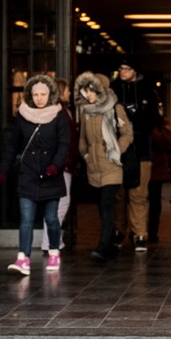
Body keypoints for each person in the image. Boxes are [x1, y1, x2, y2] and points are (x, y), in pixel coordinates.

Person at [0, 74, 70, 275]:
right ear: (30, 95)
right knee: (26, 219)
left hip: (50, 175)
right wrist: (4, 169)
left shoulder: (59, 116)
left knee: (51, 219)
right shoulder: (22, 115)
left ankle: (54, 252)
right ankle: (23, 259)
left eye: (43, 94)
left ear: (50, 94)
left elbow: (64, 146)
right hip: (28, 173)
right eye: (35, 94)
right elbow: (12, 146)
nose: (39, 98)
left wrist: (55, 166)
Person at [74, 71, 133, 262]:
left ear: (100, 90)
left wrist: (117, 150)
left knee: (107, 203)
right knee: (102, 207)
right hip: (94, 167)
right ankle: (110, 241)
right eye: (85, 91)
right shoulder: (86, 112)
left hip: (112, 166)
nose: (87, 94)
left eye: (90, 90)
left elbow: (127, 134)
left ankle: (103, 246)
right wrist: (85, 155)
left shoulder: (115, 108)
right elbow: (82, 139)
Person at [112, 56, 160, 252]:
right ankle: (118, 231)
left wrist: (134, 117)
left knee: (138, 194)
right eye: (121, 68)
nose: (123, 72)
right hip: (118, 149)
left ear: (135, 71)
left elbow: (154, 119)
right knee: (119, 194)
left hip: (141, 149)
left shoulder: (147, 90)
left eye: (127, 68)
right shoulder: (113, 90)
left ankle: (140, 233)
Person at [41, 78, 78, 254]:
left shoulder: (59, 111)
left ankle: (50, 241)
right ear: (61, 91)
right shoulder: (59, 112)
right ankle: (51, 242)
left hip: (58, 163)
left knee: (55, 203)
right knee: (61, 203)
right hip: (60, 164)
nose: (69, 92)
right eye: (67, 90)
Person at [146, 116, 171, 243]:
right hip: (144, 164)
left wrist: (153, 130)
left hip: (156, 168)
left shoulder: (160, 124)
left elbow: (164, 141)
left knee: (154, 201)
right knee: (139, 200)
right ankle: (139, 229)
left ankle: (152, 231)